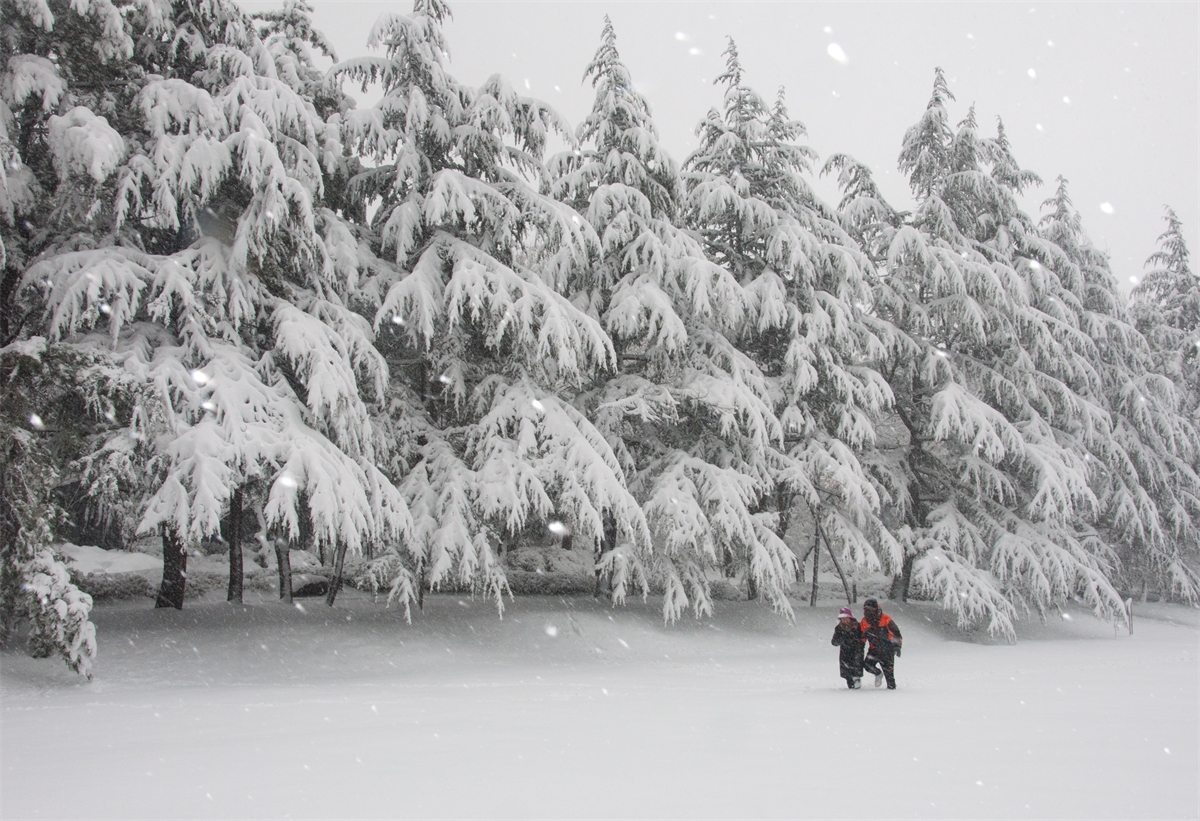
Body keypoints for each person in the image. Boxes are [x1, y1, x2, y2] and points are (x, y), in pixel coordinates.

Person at [860, 598, 902, 689]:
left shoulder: (886, 618)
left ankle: (892, 691)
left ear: (875, 609)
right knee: (867, 665)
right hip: (874, 650)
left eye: (869, 609)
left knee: (889, 674)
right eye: (865, 609)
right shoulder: (864, 621)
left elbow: (896, 632)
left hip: (887, 650)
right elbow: (862, 637)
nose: (867, 611)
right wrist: (859, 648)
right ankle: (878, 674)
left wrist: (897, 646)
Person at [831, 606, 864, 689]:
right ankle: (851, 686)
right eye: (842, 619)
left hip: (856, 652)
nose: (844, 620)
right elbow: (834, 642)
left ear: (850, 618)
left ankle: (857, 681)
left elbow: (863, 637)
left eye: (846, 618)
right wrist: (843, 637)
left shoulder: (858, 626)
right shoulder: (839, 628)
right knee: (847, 673)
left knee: (856, 670)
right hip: (845, 653)